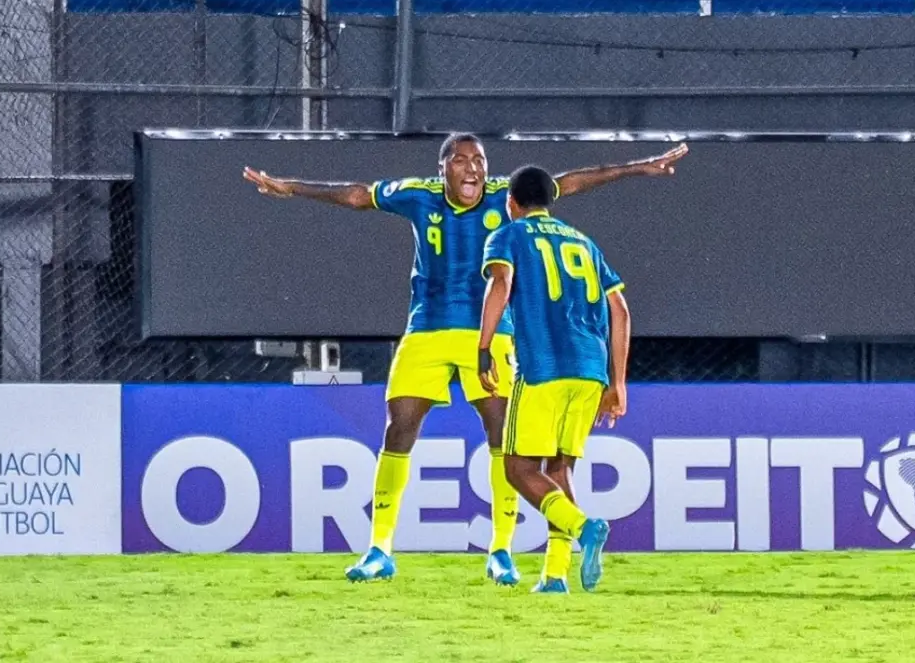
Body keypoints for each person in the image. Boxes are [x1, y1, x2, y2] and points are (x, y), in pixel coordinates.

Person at [243, 134, 681, 585]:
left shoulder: (503, 197)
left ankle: (501, 552)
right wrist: (291, 187)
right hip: (428, 327)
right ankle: (379, 549)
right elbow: (358, 195)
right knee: (400, 424)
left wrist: (637, 167)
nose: (473, 169)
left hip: (491, 333)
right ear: (443, 168)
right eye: (462, 160)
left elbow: (567, 183)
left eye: (480, 160)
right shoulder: (418, 195)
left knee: (502, 433)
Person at [477, 164, 631, 594]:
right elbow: (620, 311)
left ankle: (583, 527)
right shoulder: (584, 242)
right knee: (559, 468)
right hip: (591, 368)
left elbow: (501, 283)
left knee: (516, 467)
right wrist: (618, 383)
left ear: (511, 204)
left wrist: (484, 346)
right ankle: (555, 576)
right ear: (551, 201)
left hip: (545, 365)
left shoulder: (508, 235)